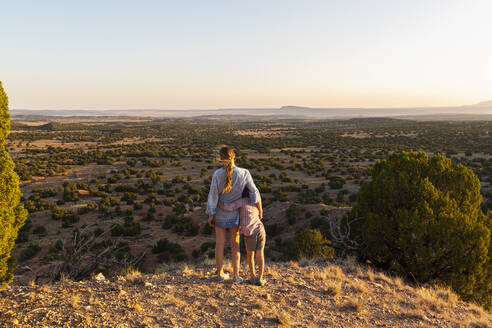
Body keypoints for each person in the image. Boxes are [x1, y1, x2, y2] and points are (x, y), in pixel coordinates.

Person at [206, 146, 261, 283]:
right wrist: (259, 209)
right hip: (235, 214)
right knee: (235, 245)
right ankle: (236, 276)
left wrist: (211, 214)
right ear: (234, 157)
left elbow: (213, 195)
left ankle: (220, 274)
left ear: (220, 158)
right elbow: (254, 192)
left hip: (219, 213)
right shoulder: (245, 173)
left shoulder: (217, 175)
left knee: (220, 244)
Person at [218, 186, 266, 286]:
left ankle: (253, 277)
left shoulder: (241, 201)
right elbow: (259, 213)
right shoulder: (255, 201)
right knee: (260, 253)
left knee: (250, 255)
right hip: (260, 229)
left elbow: (228, 207)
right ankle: (260, 278)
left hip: (249, 233)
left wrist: (217, 201)